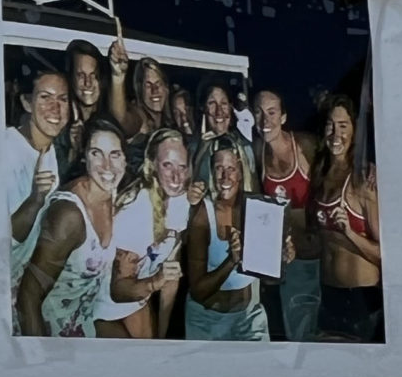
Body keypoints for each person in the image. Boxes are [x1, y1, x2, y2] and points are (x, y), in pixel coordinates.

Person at [15, 122, 127, 337]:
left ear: (125, 159)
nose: (107, 166)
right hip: (44, 328)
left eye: (115, 154)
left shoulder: (114, 197)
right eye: (97, 153)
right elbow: (27, 298)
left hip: (80, 322)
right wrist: (37, 359)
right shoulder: (69, 215)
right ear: (84, 155)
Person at [97, 134, 189, 339]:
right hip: (103, 306)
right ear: (153, 165)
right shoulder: (135, 212)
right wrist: (155, 282)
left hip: (139, 300)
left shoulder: (179, 200)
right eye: (167, 165)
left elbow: (171, 277)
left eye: (182, 167)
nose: (176, 177)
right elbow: (118, 290)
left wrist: (163, 337)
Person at [183, 141, 275, 342]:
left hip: (249, 318)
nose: (225, 177)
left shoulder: (259, 208)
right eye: (219, 168)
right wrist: (232, 261)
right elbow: (198, 291)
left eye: (231, 169)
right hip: (208, 321)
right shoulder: (202, 214)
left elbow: (270, 278)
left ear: (241, 173)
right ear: (211, 172)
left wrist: (281, 258)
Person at [312, 95, 382, 342]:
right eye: (331, 125)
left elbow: (383, 253)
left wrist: (350, 233)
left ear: (354, 130)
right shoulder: (320, 172)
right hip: (328, 295)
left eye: (343, 126)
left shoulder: (363, 181)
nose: (336, 133)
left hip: (360, 299)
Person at [252, 90, 321, 342]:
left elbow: (340, 164)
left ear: (283, 117)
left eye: (271, 112)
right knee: (296, 339)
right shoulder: (257, 151)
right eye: (258, 112)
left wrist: (368, 167)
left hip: (315, 257)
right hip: (286, 263)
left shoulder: (304, 145)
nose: (265, 120)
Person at [0, 62, 71, 282]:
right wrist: (35, 200)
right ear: (26, 102)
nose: (55, 108)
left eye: (62, 99)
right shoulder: (4, 149)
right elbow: (0, 242)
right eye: (45, 97)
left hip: (22, 281)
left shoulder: (50, 150)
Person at [56, 40, 108, 171]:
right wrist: (74, 151)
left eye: (93, 75)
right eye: (81, 75)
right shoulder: (59, 125)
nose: (88, 83)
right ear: (71, 78)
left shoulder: (112, 120)